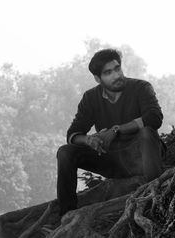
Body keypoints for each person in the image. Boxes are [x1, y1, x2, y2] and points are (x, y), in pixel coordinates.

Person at [56, 48, 165, 216]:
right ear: (98, 78)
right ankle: (67, 215)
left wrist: (116, 129)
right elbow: (73, 133)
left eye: (117, 69)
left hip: (141, 156)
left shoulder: (141, 87)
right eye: (108, 73)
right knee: (65, 152)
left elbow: (154, 118)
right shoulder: (90, 98)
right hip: (111, 158)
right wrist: (89, 140)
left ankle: (156, 198)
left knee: (146, 133)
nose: (116, 75)